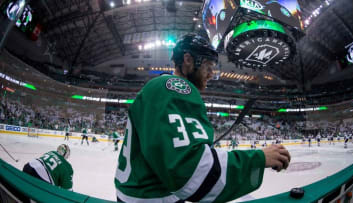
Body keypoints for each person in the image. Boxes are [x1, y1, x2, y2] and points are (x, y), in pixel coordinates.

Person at [114, 34, 291, 203]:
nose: (211, 73)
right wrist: (260, 158)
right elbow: (192, 172)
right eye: (208, 65)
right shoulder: (173, 87)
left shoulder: (160, 88)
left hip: (144, 194)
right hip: (152, 198)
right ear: (188, 60)